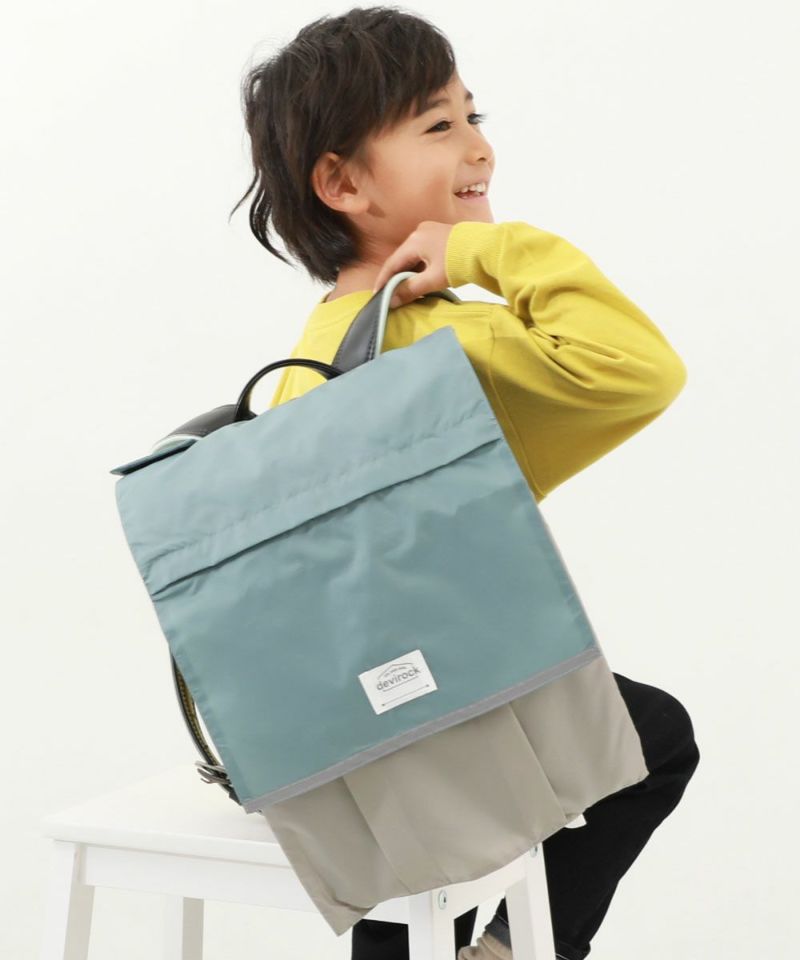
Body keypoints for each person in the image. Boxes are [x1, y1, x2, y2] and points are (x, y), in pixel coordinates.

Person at [230, 6, 701, 958]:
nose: (479, 146)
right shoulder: (447, 341)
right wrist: (490, 250)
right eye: (439, 124)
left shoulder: (325, 343)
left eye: (475, 116)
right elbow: (640, 371)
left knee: (430, 859)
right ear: (343, 182)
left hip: (329, 719)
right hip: (434, 705)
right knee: (651, 740)